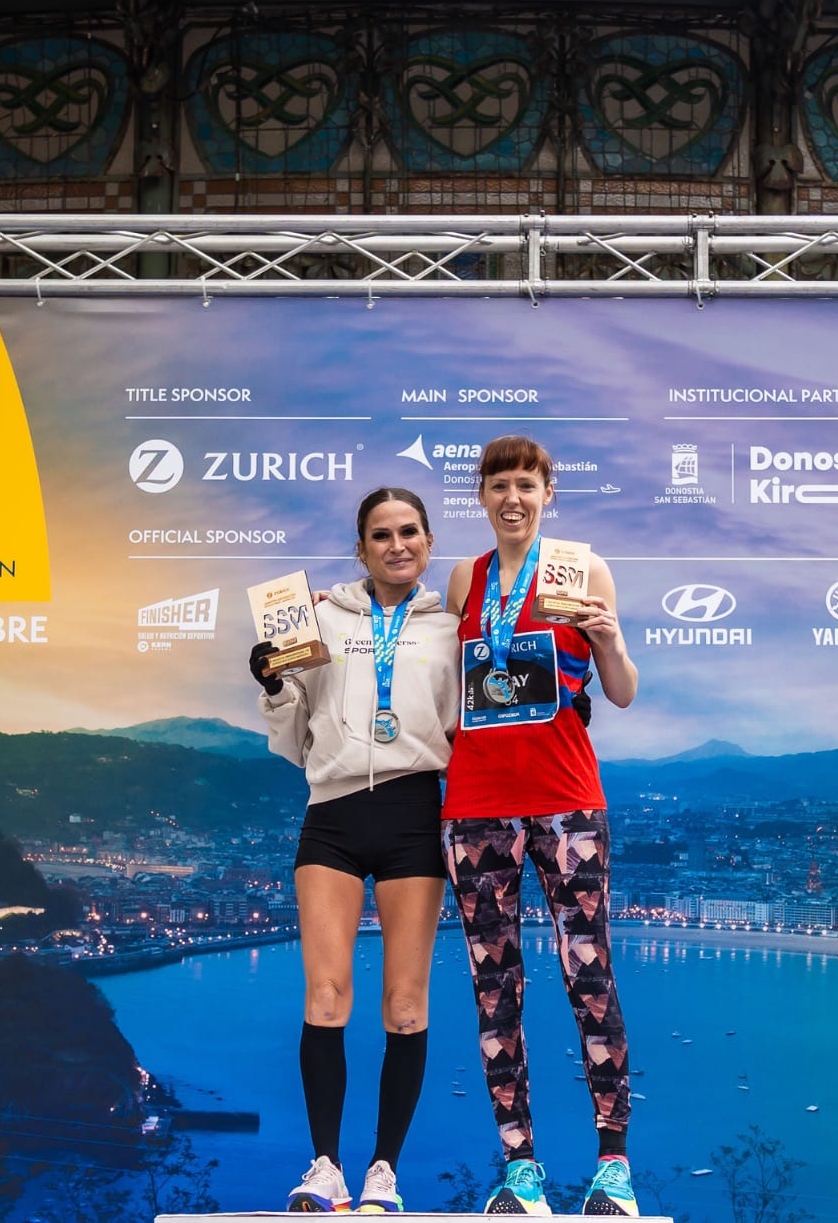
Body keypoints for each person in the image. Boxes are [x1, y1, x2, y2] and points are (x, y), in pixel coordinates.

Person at [440, 434, 639, 1218]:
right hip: (476, 802)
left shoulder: (582, 569)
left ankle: (613, 1168)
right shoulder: (466, 577)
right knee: (496, 990)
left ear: (547, 493)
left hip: (567, 797)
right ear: (482, 497)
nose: (513, 497)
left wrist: (610, 639)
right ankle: (521, 1170)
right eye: (499, 485)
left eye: (527, 484)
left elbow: (619, 691)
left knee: (590, 978)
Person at [248, 487, 459, 1215]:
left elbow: (480, 725)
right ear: (360, 548)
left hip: (413, 816)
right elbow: (290, 729)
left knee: (405, 1007)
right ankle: (327, 1166)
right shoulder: (320, 618)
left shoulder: (452, 629)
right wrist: (272, 683)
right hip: (331, 814)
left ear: (428, 541)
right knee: (326, 996)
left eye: (409, 532)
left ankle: (382, 1174)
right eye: (380, 534)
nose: (396, 544)